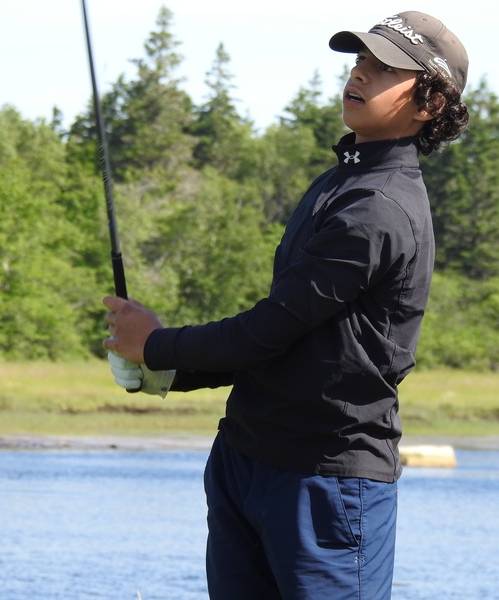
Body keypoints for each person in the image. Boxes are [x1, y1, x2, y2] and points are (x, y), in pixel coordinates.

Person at [103, 10, 469, 599]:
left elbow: (269, 328)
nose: (360, 74)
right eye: (361, 60)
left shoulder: (379, 207)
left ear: (431, 102)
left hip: (326, 484)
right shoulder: (337, 183)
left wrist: (157, 347)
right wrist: (164, 369)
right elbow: (286, 341)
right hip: (246, 458)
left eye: (384, 68)